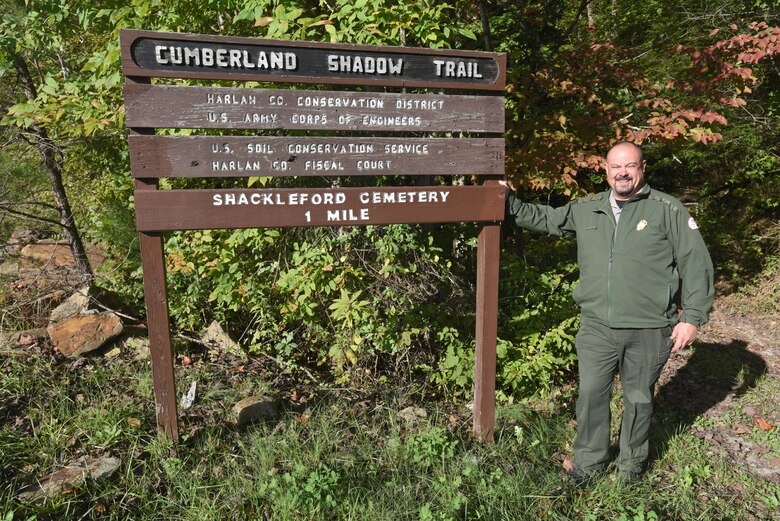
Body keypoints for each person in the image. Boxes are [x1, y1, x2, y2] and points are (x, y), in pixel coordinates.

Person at [502, 142, 714, 485]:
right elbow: (544, 218)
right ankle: (589, 462)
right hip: (597, 325)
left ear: (642, 167)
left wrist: (692, 317)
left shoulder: (667, 209)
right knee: (591, 395)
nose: (623, 173)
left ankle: (631, 466)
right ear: (605, 170)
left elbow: (696, 264)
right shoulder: (588, 208)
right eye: (616, 167)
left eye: (630, 166)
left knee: (639, 399)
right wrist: (506, 199)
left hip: (650, 326)